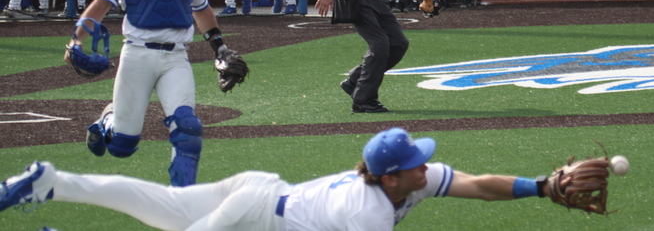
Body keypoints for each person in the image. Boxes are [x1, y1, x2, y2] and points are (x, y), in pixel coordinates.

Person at [0, 127, 561, 231]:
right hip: (254, 213)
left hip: (260, 192)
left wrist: (539, 186)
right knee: (166, 217)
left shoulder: (406, 179)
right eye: (417, 162)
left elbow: (479, 183)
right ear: (393, 177)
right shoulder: (366, 216)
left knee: (163, 206)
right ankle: (52, 184)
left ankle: (54, 181)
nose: (429, 166)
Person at [63, 0, 234, 187]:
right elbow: (100, 6)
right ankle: (109, 119)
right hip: (137, 55)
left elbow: (201, 8)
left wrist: (219, 47)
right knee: (121, 146)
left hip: (176, 57)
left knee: (188, 128)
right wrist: (75, 40)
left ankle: (183, 200)